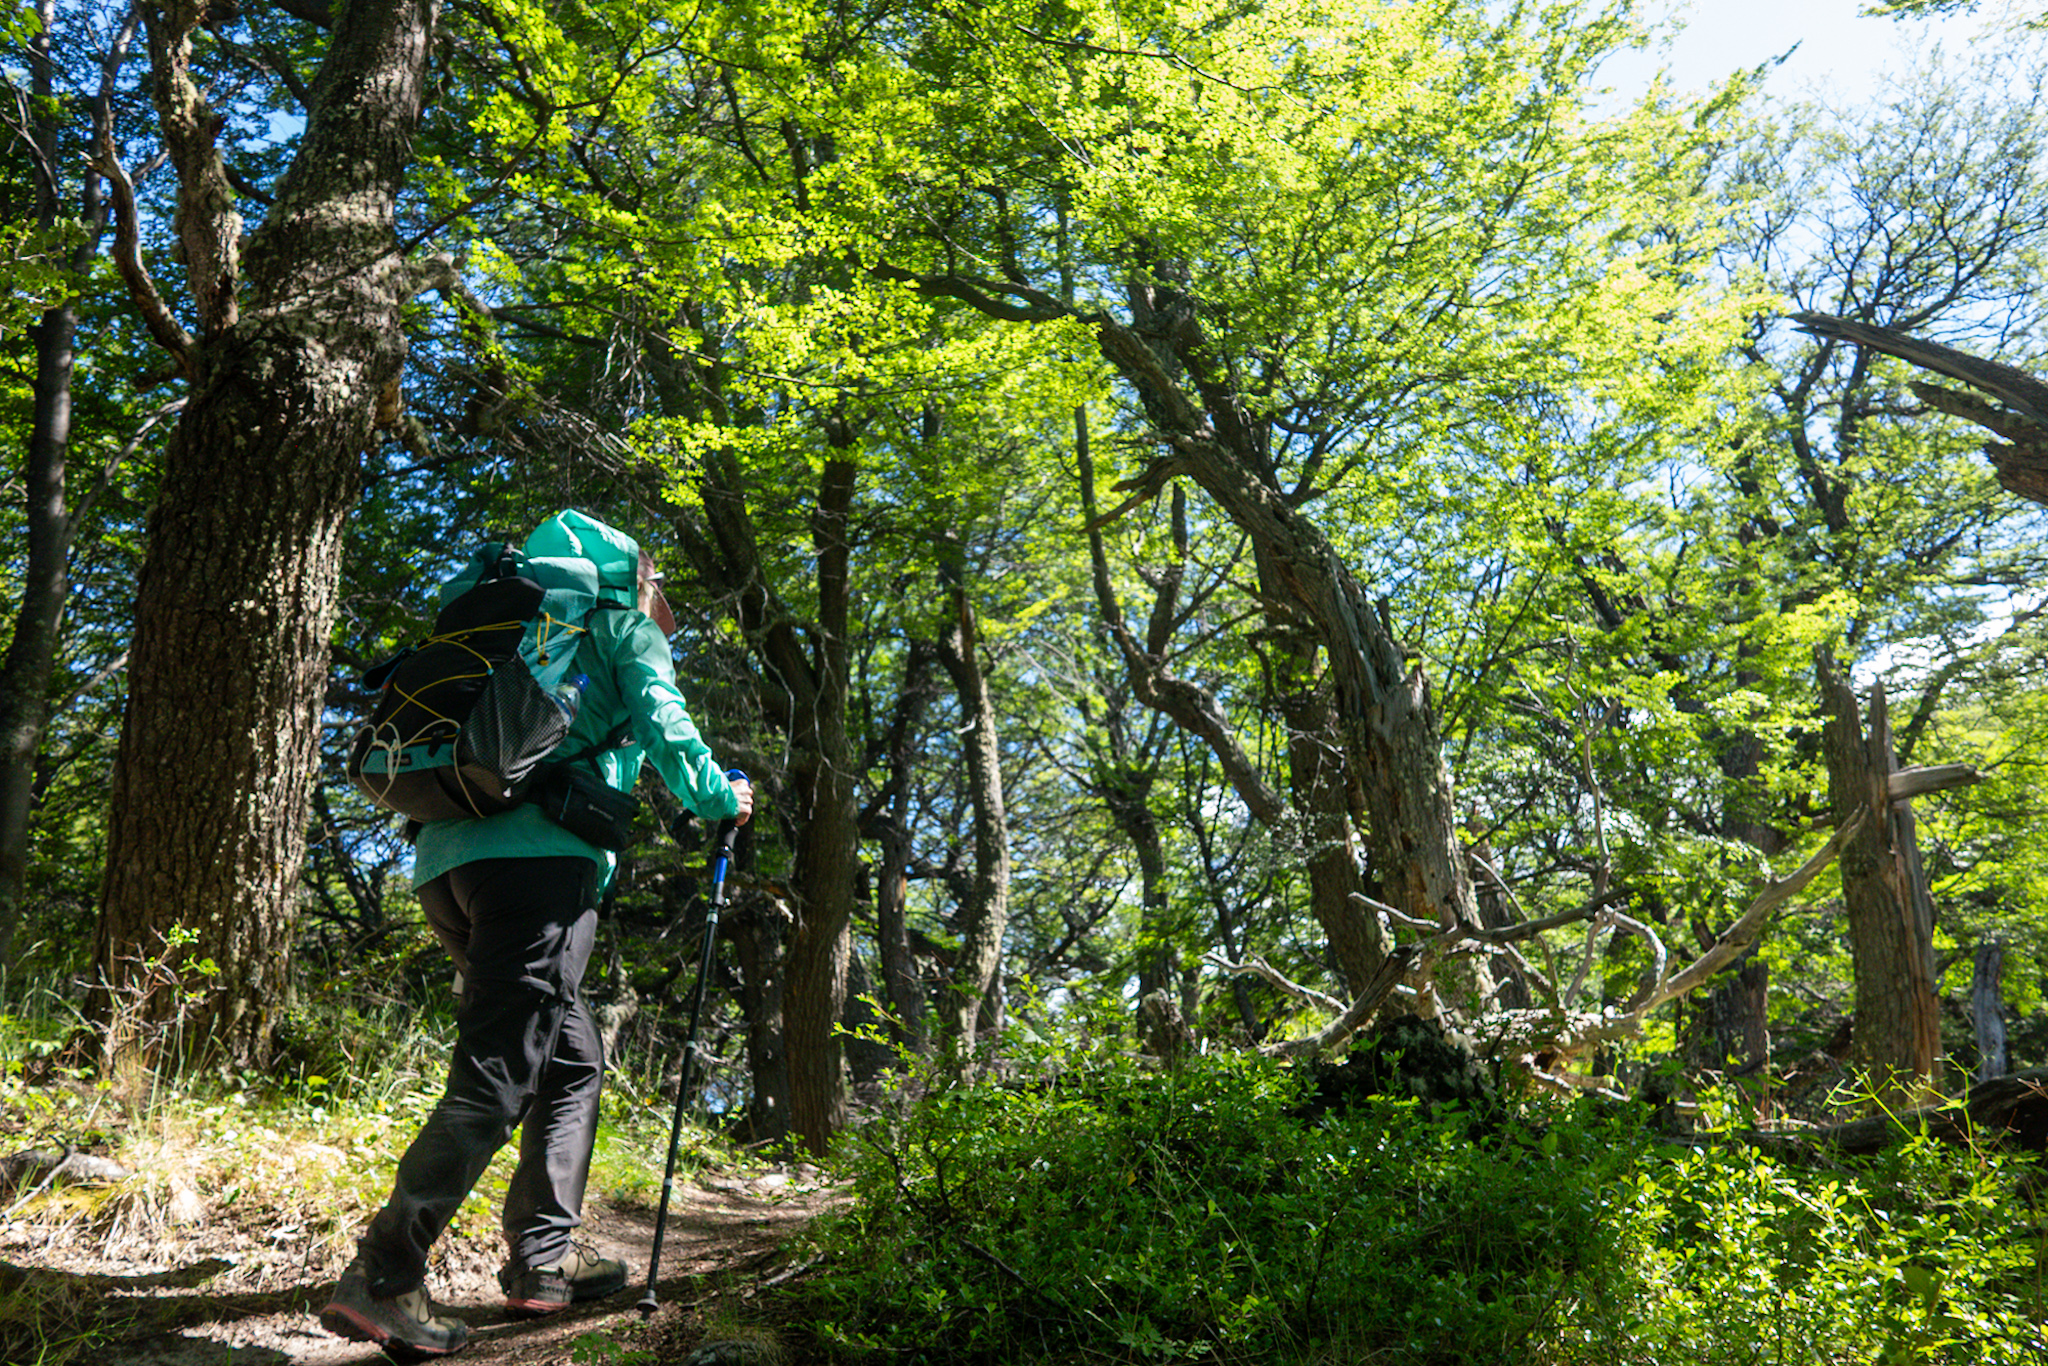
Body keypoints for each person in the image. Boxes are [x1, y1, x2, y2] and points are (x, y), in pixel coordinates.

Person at [320, 510, 752, 1358]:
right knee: (498, 1072)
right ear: (633, 574)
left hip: (446, 866)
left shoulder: (506, 616)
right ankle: (382, 1278)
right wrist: (718, 797)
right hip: (540, 870)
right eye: (656, 577)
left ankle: (541, 1265)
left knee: (571, 1053)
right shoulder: (619, 625)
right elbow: (665, 725)